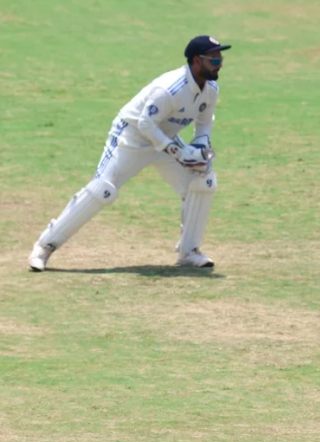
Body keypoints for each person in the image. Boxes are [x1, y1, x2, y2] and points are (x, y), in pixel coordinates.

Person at [28, 36, 230, 272]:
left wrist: (198, 148)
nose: (220, 63)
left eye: (220, 58)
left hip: (164, 137)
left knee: (202, 181)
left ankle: (189, 252)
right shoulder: (169, 89)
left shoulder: (211, 89)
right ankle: (45, 246)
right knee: (102, 190)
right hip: (132, 137)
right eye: (214, 59)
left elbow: (204, 123)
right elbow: (145, 123)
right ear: (197, 60)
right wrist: (177, 150)